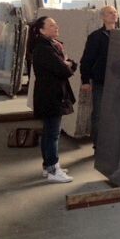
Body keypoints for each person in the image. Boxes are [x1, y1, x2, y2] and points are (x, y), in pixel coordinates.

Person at [29, 16, 77, 183]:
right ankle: (52, 170)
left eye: (56, 24)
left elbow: (68, 65)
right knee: (52, 134)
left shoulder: (52, 45)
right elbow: (63, 70)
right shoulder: (44, 49)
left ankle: (49, 166)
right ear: (42, 30)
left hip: (51, 93)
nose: (56, 27)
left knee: (49, 132)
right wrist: (67, 65)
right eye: (51, 25)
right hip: (50, 95)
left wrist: (67, 64)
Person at [80, 5, 119, 149]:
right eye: (110, 13)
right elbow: (87, 59)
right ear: (102, 17)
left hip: (119, 82)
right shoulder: (96, 37)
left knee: (116, 114)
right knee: (99, 114)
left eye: (115, 12)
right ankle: (98, 145)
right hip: (101, 81)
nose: (114, 15)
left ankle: (113, 144)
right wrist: (85, 80)